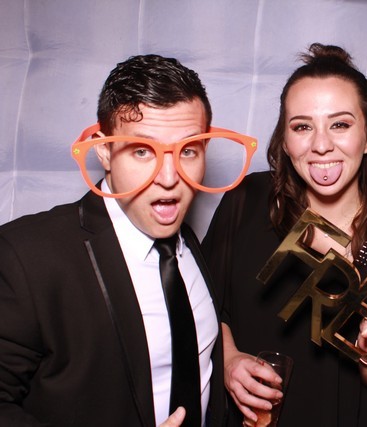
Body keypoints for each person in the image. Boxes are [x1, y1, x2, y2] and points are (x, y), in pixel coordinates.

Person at [0, 54, 255, 427]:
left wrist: (229, 360)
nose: (169, 178)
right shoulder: (25, 256)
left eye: (187, 151)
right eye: (142, 151)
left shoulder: (186, 240)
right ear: (104, 150)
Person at [201, 43, 367, 427]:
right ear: (285, 141)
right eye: (302, 126)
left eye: (340, 124)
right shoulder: (247, 199)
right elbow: (203, 305)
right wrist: (228, 360)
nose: (320, 145)